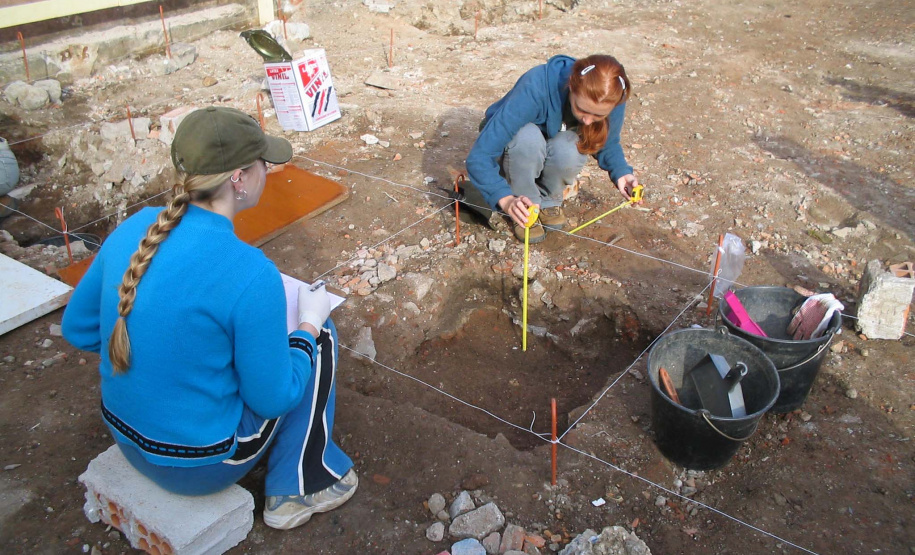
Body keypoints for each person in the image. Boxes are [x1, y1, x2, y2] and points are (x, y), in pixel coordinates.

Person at [62, 106, 356, 531]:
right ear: (239, 178)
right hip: (198, 466)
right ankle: (302, 486)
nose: (268, 172)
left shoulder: (136, 227)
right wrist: (307, 325)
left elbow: (78, 328)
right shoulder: (249, 271)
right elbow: (274, 399)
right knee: (320, 335)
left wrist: (162, 358)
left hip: (126, 437)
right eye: (263, 163)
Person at [465, 54, 638, 243]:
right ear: (571, 86)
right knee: (528, 138)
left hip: (551, 142)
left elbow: (608, 142)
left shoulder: (612, 97)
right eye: (582, 110)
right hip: (516, 146)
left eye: (598, 116)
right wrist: (505, 199)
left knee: (570, 146)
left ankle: (548, 200)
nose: (588, 121)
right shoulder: (536, 86)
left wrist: (621, 172)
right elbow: (480, 156)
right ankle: (524, 203)